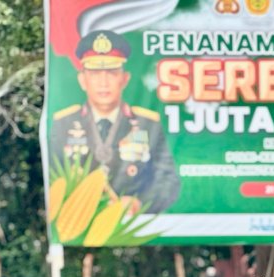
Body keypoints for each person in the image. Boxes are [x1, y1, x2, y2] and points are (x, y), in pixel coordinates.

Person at [50, 29, 181, 214]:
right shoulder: (63, 124)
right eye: (95, 73)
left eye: (111, 73)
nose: (103, 83)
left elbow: (168, 181)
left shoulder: (147, 124)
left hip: (131, 226)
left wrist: (139, 203)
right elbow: (51, 177)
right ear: (82, 80)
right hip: (79, 226)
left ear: (124, 79)